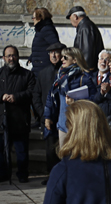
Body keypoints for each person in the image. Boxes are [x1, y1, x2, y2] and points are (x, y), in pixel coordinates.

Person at [43, 47, 98, 150]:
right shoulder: (60, 76)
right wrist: (47, 116)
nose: (61, 59)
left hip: (78, 125)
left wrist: (75, 102)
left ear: (75, 60)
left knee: (78, 155)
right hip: (62, 123)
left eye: (65, 57)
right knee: (64, 154)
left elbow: (94, 100)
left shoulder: (85, 78)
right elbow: (51, 95)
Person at [0, 46, 36, 183]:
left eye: (14, 55)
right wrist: (2, 96)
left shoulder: (27, 75)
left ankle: (22, 174)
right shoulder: (0, 74)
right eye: (8, 56)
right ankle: (3, 174)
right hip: (2, 119)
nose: (11, 58)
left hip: (20, 119)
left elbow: (31, 92)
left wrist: (16, 97)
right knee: (2, 150)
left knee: (21, 150)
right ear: (4, 58)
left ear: (18, 57)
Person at [34, 42, 65, 184]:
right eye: (51, 53)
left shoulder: (66, 72)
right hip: (48, 119)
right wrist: (43, 114)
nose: (53, 55)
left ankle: (64, 176)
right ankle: (52, 176)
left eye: (56, 52)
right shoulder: (43, 73)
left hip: (63, 117)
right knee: (50, 150)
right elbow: (36, 95)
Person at [66, 6, 104, 71]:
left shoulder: (85, 28)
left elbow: (87, 52)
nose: (71, 22)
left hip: (87, 70)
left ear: (75, 17)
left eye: (70, 19)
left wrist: (84, 70)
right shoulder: (86, 26)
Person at [29, 7, 60, 73]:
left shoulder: (46, 29)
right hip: (39, 66)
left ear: (39, 18)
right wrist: (32, 57)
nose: (32, 20)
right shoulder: (41, 29)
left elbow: (55, 45)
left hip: (43, 67)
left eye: (33, 18)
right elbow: (40, 47)